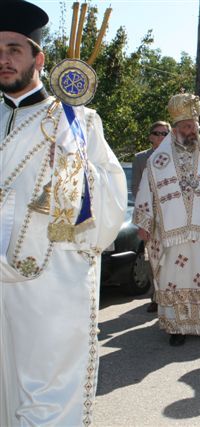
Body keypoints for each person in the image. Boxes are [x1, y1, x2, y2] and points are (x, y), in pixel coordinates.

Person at [0, 1, 128, 424]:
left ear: (38, 57)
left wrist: (73, 172)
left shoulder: (77, 122)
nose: (4, 59)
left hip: (49, 279)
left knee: (46, 392)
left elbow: (107, 201)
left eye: (14, 49)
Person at [133, 93, 200, 347]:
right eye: (188, 126)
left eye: (195, 126)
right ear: (176, 129)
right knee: (175, 277)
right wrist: (144, 223)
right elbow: (148, 189)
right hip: (172, 231)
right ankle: (177, 326)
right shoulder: (159, 158)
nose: (193, 131)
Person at [132, 120, 171, 313]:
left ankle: (169, 294)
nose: (161, 137)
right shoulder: (141, 159)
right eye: (158, 133)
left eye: (166, 133)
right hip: (150, 216)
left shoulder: (175, 157)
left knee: (171, 257)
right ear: (150, 137)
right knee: (152, 259)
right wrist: (143, 221)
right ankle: (156, 296)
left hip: (172, 216)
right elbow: (136, 188)